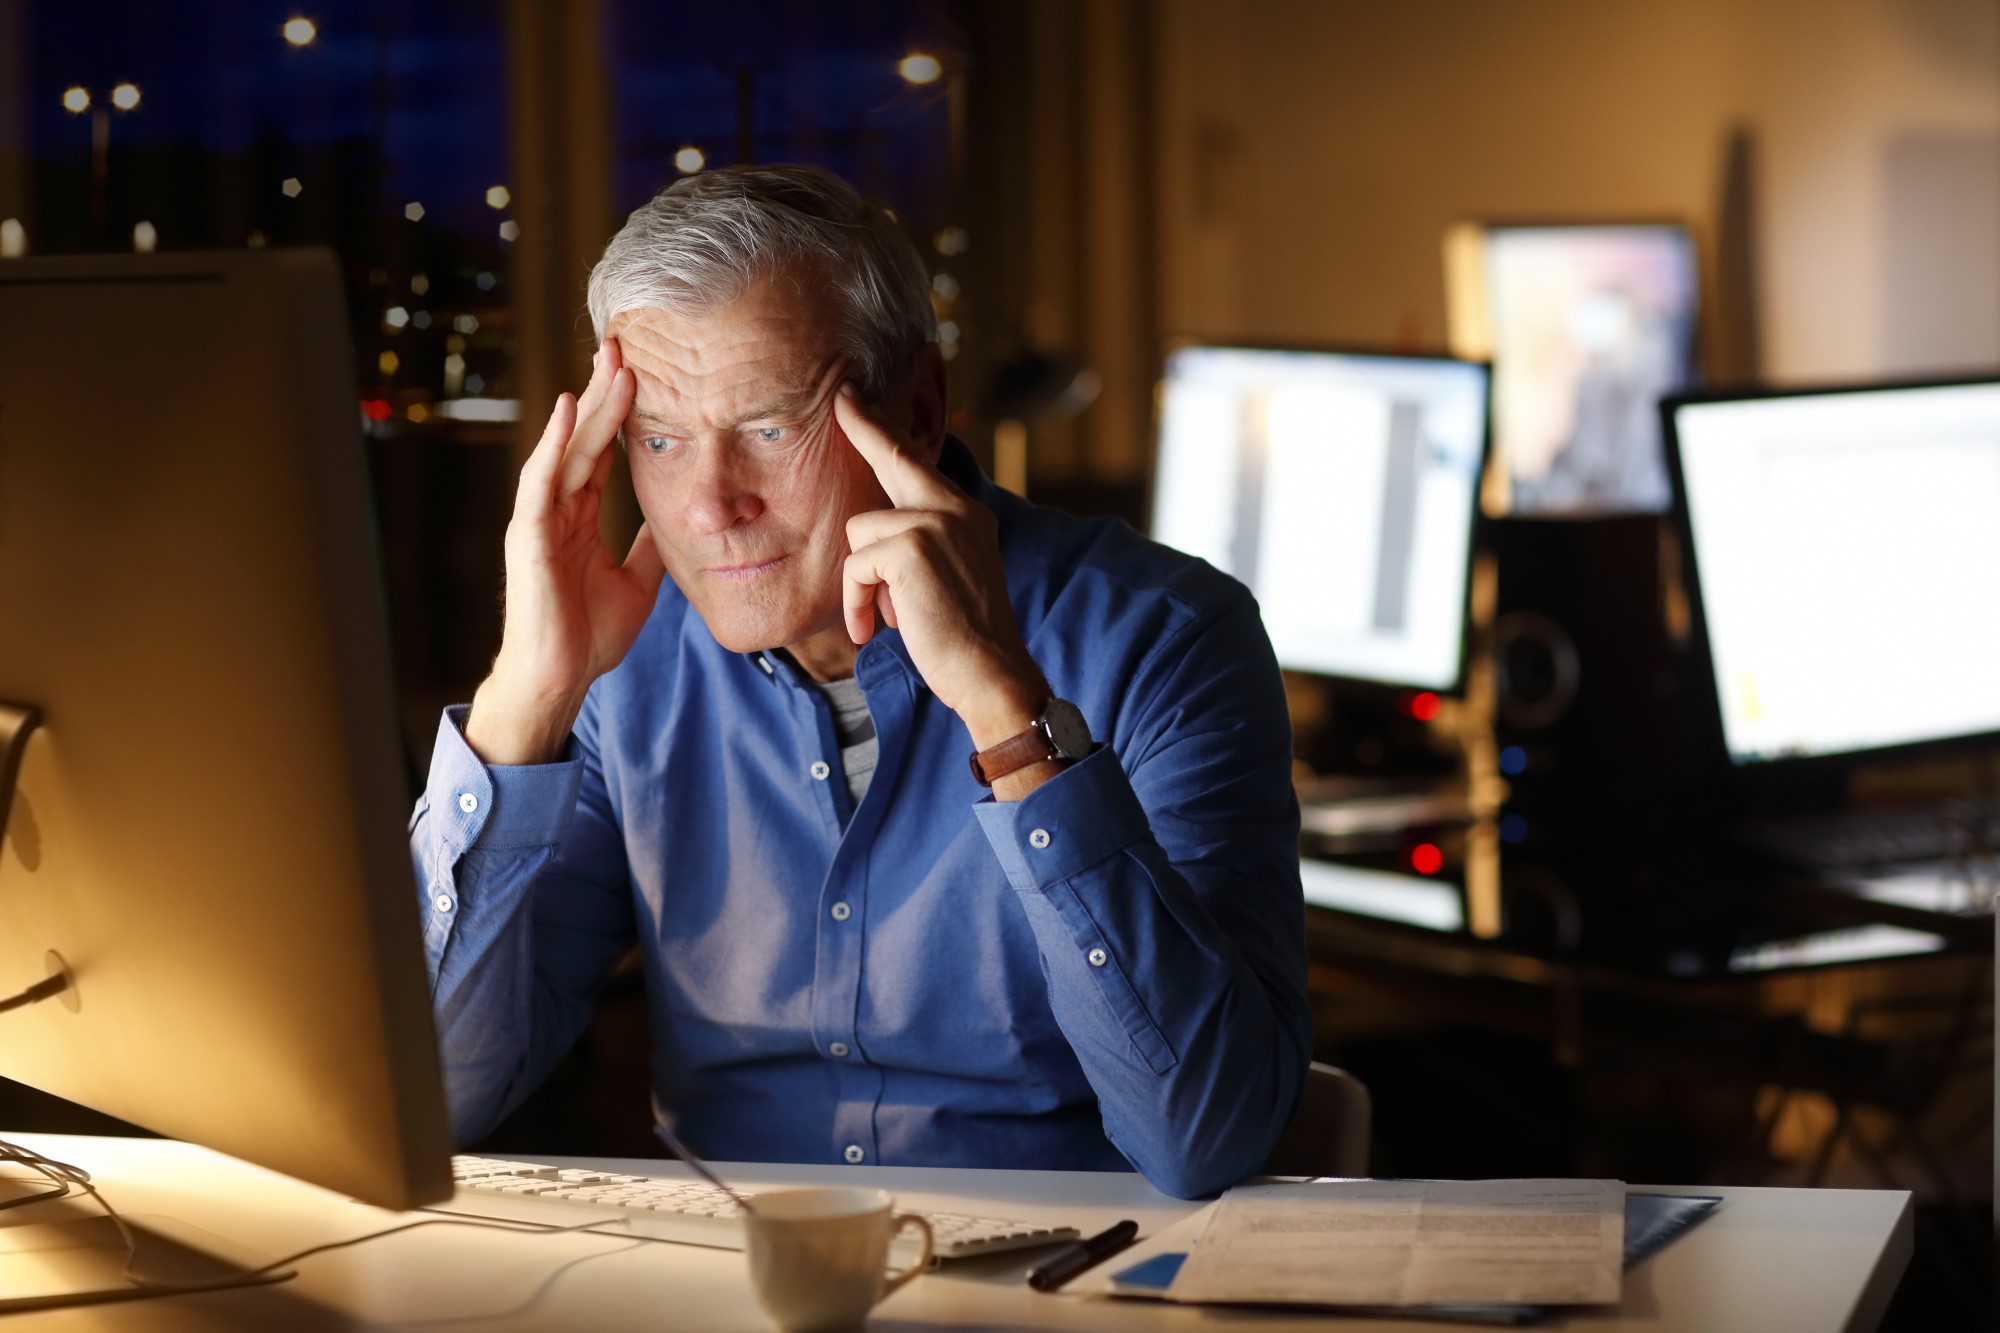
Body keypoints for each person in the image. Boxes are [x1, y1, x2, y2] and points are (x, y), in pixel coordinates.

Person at [413, 164, 1308, 1199]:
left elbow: (1209, 1136)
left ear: (917, 408)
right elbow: (423, 1098)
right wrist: (526, 694)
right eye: (657, 440)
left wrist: (1007, 713)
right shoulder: (629, 667)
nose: (709, 506)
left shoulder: (1162, 637)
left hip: (1061, 1292)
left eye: (768, 428)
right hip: (727, 1285)